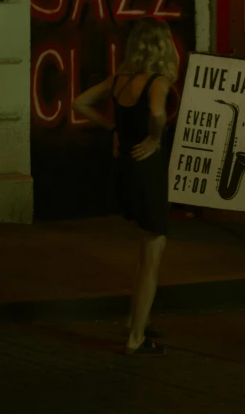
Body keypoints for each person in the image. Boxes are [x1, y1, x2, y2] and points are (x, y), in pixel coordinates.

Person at [72, 17, 178, 356]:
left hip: (125, 169)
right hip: (147, 169)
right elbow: (158, 112)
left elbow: (79, 103)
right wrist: (154, 137)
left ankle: (138, 319)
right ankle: (135, 336)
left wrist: (112, 129)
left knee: (144, 250)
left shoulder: (119, 80)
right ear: (163, 46)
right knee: (153, 252)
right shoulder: (158, 81)